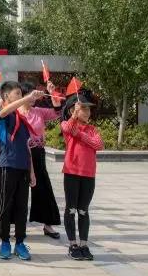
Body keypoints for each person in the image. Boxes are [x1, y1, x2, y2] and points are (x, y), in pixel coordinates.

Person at [0, 81, 44, 261]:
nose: (21, 96)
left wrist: (31, 171)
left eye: (21, 94)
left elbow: (27, 146)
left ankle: (20, 242)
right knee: (5, 206)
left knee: (22, 207)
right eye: (17, 93)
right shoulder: (4, 114)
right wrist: (27, 98)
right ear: (6, 96)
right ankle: (5, 241)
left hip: (23, 167)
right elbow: (3, 112)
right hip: (7, 165)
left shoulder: (22, 119)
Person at [19, 81, 64, 239]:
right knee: (18, 189)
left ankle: (47, 224)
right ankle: (15, 225)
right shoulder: (14, 112)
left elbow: (57, 113)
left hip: (37, 153)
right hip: (20, 153)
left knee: (43, 187)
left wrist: (53, 94)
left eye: (34, 95)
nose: (33, 98)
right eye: (29, 94)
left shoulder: (38, 111)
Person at [61, 98, 103, 261]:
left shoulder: (92, 129)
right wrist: (74, 118)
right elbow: (67, 128)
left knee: (83, 210)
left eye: (88, 109)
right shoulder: (67, 124)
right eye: (83, 109)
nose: (87, 112)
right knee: (71, 209)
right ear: (74, 111)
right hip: (72, 172)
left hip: (88, 174)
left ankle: (84, 244)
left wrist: (80, 135)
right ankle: (72, 244)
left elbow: (99, 145)